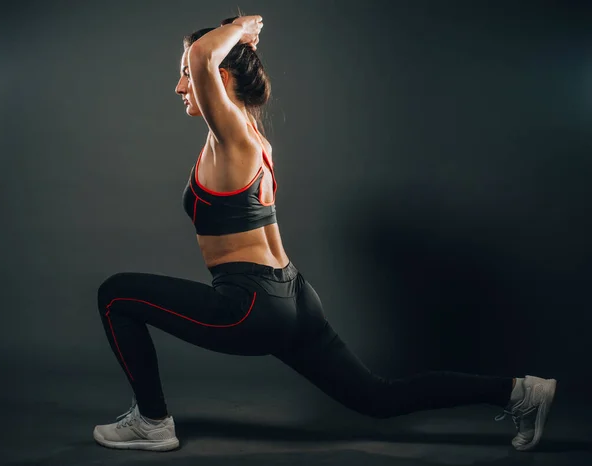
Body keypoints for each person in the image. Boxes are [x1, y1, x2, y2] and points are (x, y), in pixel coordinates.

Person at [93, 14, 557, 453]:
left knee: (116, 295)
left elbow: (201, 58)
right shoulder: (254, 139)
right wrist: (232, 36)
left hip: (249, 304)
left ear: (222, 77)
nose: (180, 85)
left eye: (186, 75)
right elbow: (202, 61)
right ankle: (519, 393)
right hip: (293, 299)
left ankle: (152, 423)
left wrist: (236, 27)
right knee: (378, 398)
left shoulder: (231, 136)